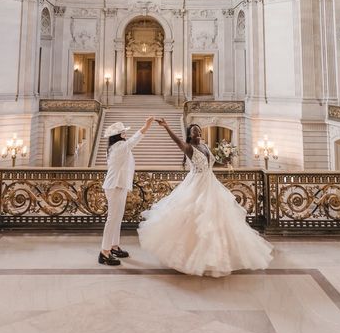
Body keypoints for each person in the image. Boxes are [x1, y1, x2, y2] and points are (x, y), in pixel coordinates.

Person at [138, 120, 273, 277]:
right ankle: (189, 257)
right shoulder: (189, 148)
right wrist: (167, 127)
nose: (198, 133)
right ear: (190, 135)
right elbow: (177, 141)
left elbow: (211, 162)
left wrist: (226, 159)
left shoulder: (205, 146)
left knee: (218, 218)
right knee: (196, 217)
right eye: (195, 131)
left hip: (211, 183)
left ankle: (217, 257)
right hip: (197, 184)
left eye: (199, 130)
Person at [99, 117, 153, 266]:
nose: (125, 134)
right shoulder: (120, 147)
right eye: (123, 132)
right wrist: (146, 125)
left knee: (117, 218)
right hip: (115, 186)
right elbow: (135, 140)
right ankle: (104, 252)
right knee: (112, 219)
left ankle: (114, 246)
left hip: (119, 185)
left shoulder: (115, 147)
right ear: (118, 135)